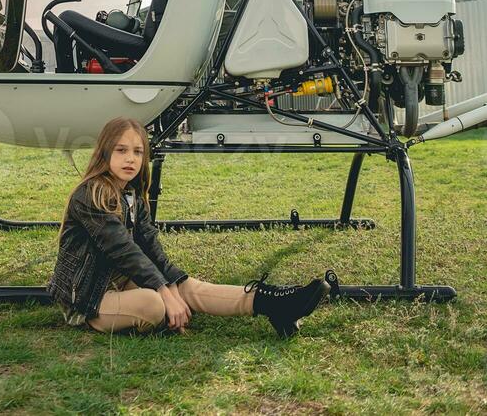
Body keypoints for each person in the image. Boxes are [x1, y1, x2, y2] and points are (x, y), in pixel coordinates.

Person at [46, 116, 330, 338]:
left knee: (186, 287)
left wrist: (172, 285)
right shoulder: (91, 194)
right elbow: (123, 249)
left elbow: (151, 249)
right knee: (155, 304)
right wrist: (164, 293)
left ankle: (273, 304)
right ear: (104, 153)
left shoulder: (133, 196)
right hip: (87, 296)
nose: (130, 159)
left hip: (120, 280)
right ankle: (132, 317)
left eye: (137, 151)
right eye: (121, 150)